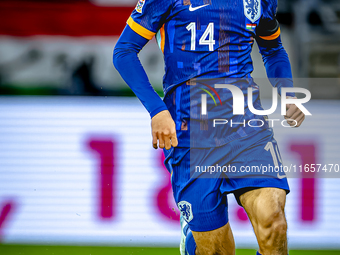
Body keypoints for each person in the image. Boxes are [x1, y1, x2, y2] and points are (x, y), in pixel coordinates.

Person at [113, 0, 305, 254]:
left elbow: (272, 49)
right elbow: (124, 51)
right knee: (216, 251)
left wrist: (288, 91)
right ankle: (193, 237)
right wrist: (157, 110)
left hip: (246, 127)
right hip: (190, 133)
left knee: (274, 223)